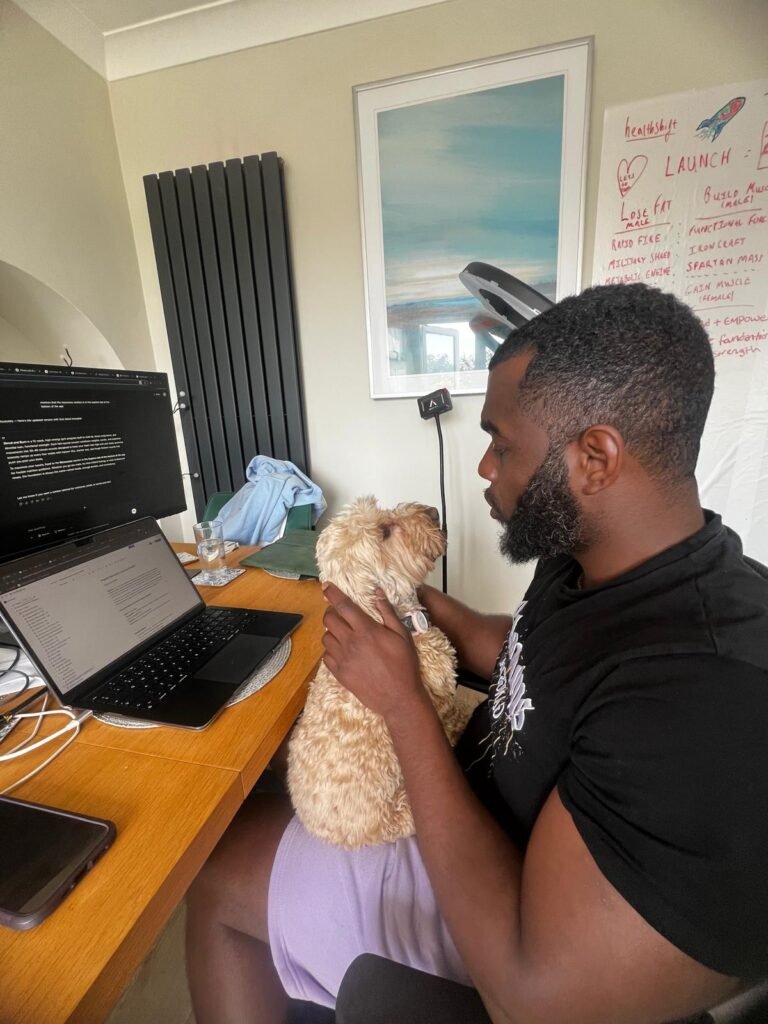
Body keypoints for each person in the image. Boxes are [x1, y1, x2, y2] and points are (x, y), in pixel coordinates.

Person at [186, 283, 768, 1024]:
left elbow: (529, 996)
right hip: (479, 813)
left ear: (595, 457)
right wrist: (412, 604)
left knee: (214, 877)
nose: (486, 469)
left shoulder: (700, 696)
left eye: (503, 443)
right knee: (269, 795)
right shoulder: (597, 558)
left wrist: (402, 705)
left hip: (500, 922)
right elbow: (528, 658)